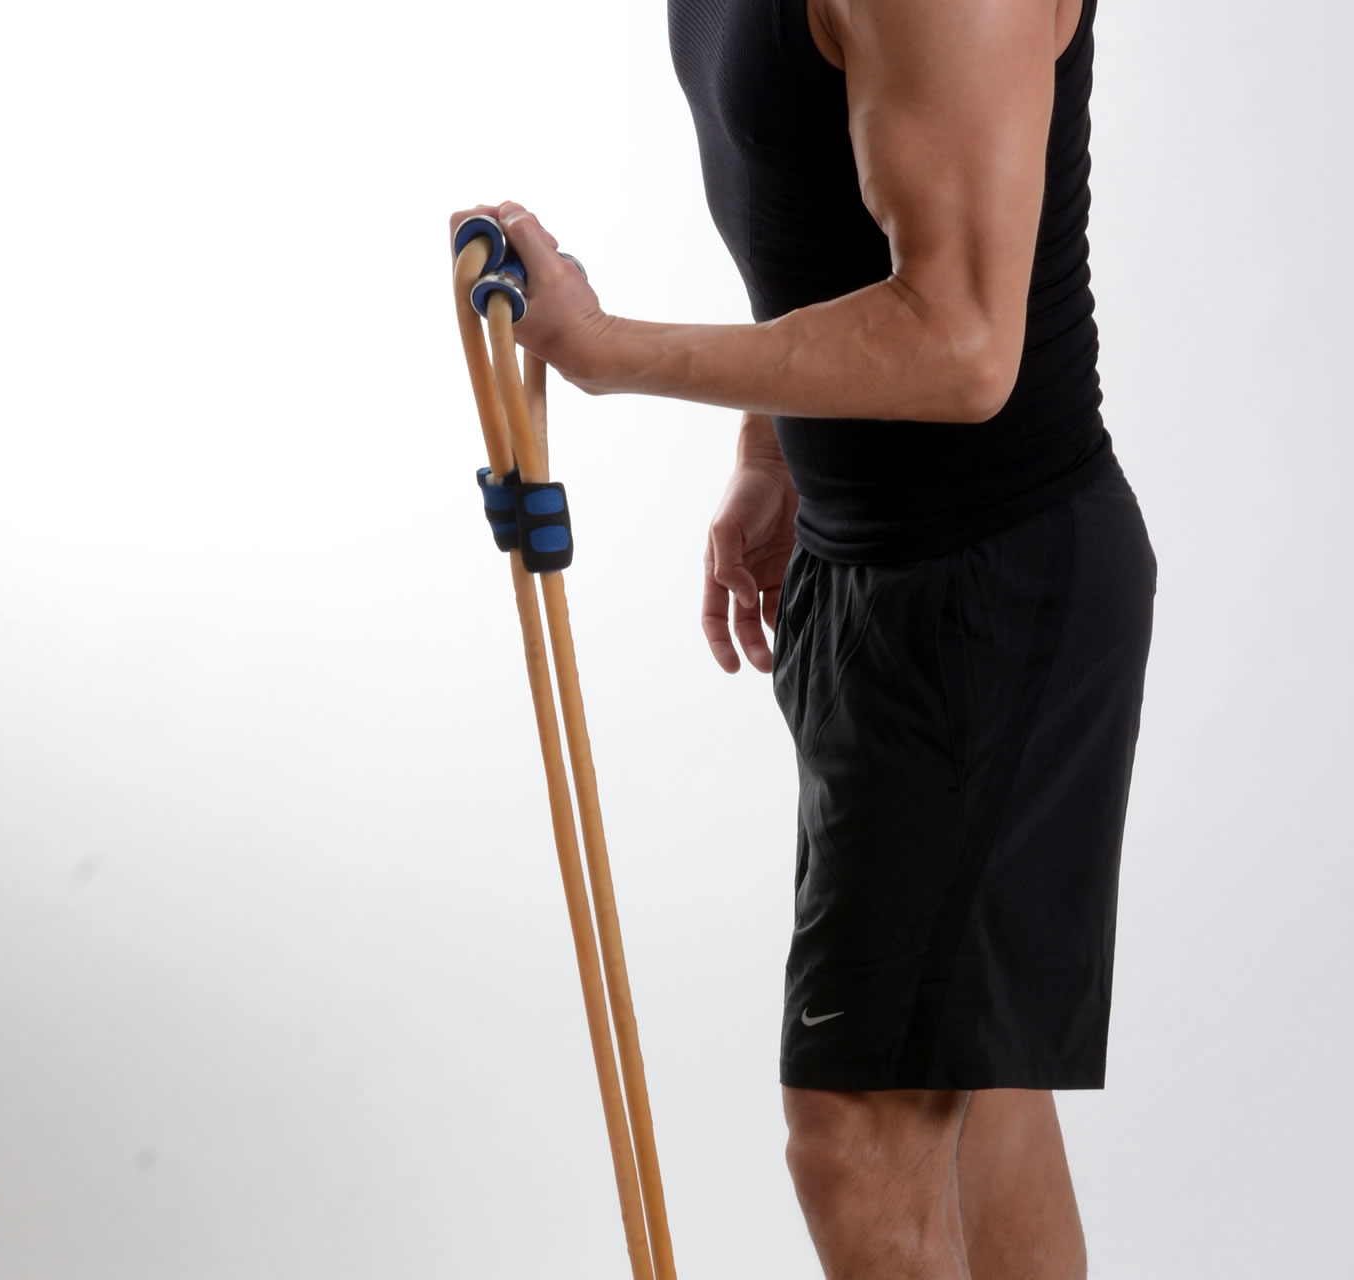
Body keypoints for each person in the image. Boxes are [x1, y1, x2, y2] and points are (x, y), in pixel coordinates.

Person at [451, 0, 1156, 1272]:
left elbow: (960, 342)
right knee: (966, 1081)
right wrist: (770, 449)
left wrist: (608, 352)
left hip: (988, 589)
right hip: (863, 566)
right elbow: (830, 200)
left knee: (854, 1130)